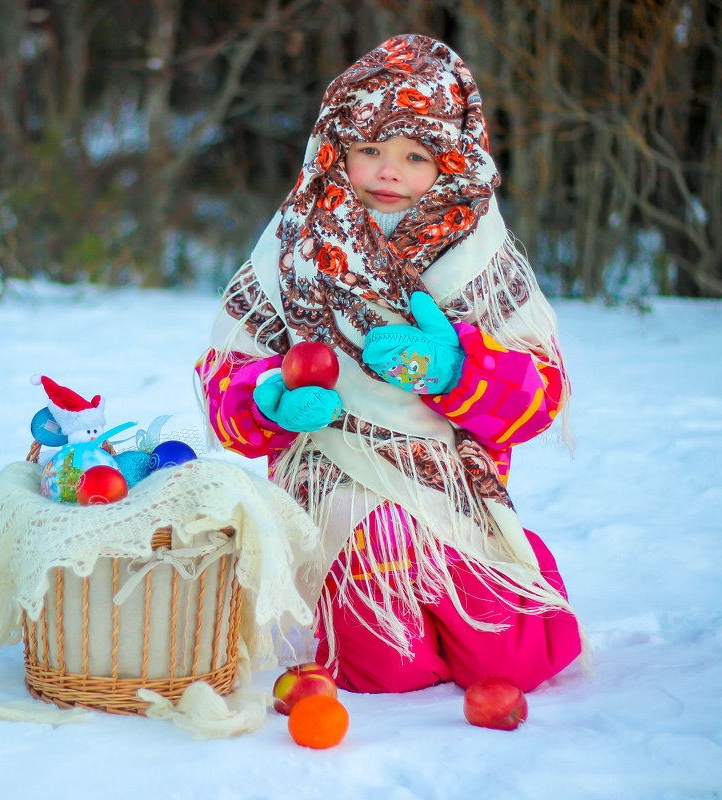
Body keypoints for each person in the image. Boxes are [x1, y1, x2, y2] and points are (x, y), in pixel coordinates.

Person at [195, 34, 584, 694]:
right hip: (336, 471)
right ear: (336, 147)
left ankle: (488, 573)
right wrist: (268, 398)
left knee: (517, 661)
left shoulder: (479, 252)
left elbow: (539, 394)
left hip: (450, 478)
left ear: (452, 159)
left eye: (415, 154)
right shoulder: (297, 241)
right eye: (369, 149)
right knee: (384, 668)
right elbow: (229, 365)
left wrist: (458, 370)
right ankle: (363, 601)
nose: (388, 171)